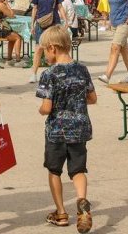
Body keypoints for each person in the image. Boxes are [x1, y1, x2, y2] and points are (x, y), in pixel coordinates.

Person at [35, 26, 96, 233]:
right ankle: (82, 203)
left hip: (57, 130)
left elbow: (47, 107)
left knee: (54, 171)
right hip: (79, 128)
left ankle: (61, 212)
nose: (44, 54)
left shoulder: (49, 74)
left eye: (44, 50)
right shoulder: (82, 69)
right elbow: (92, 98)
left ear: (52, 48)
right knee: (78, 170)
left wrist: (41, 110)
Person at [29, 0, 65, 83]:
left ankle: (55, 73)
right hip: (41, 23)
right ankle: (34, 74)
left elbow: (60, 7)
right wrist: (32, 24)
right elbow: (35, 9)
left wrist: (65, 20)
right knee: (39, 48)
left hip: (54, 22)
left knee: (55, 48)